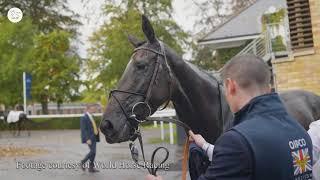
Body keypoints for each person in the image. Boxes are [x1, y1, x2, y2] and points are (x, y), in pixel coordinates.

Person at [146, 55, 313, 180]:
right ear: (268, 87)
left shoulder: (237, 141)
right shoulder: (300, 132)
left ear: (230, 85)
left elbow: (242, 153)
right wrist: (204, 146)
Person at [80, 103, 100, 173]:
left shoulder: (92, 116)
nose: (94, 110)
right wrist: (87, 139)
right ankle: (83, 162)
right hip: (89, 138)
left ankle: (91, 168)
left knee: (94, 153)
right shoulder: (84, 117)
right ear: (88, 109)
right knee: (93, 151)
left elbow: (92, 126)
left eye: (94, 109)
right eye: (92, 109)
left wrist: (97, 129)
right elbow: (84, 129)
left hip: (94, 136)